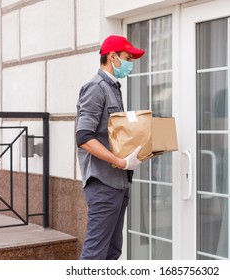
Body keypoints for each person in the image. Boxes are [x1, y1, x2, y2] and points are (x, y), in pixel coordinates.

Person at [76, 35, 145, 260]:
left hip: (118, 183)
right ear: (113, 57)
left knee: (112, 252)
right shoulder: (95, 88)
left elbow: (112, 135)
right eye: (127, 58)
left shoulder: (114, 88)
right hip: (103, 184)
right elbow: (84, 137)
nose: (129, 64)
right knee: (95, 256)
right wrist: (120, 162)